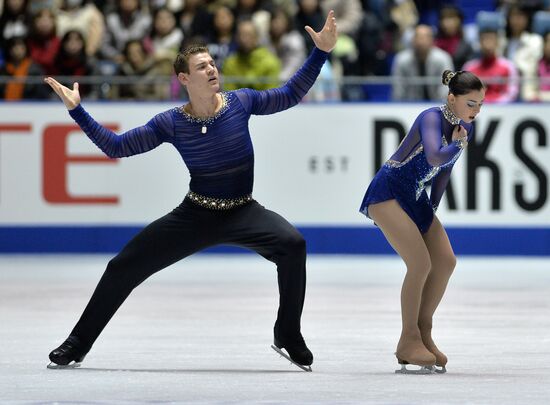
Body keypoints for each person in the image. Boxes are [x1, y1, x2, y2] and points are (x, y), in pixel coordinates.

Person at [44, 10, 337, 372]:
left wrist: (320, 52)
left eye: (213, 63)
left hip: (243, 211)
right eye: (202, 67)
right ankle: (77, 343)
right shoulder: (171, 122)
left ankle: (287, 334)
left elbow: (290, 93)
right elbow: (117, 147)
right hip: (195, 215)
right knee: (123, 267)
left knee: (293, 245)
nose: (212, 69)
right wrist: (78, 111)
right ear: (184, 78)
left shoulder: (241, 102)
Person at [359, 70, 485, 374]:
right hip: (387, 193)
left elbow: (444, 172)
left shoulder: (464, 125)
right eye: (471, 104)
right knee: (420, 264)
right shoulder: (430, 117)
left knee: (445, 261)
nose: (476, 111)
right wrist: (458, 145)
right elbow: (434, 158)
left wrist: (434, 206)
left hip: (416, 197)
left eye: (481, 104)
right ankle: (408, 339)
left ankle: (423, 331)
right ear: (451, 98)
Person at [391, 25, 454, 101]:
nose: (421, 42)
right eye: (418, 37)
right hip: (409, 106)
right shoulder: (401, 60)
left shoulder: (443, 58)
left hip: (437, 105)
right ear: (412, 40)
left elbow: (446, 88)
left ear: (432, 40)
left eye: (425, 37)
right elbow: (398, 89)